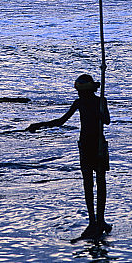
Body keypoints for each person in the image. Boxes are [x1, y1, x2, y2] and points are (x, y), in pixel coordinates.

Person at [27, 74, 111, 239]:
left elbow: (106, 121)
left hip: (97, 147)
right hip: (87, 146)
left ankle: (99, 221)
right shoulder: (83, 102)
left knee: (97, 183)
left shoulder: (99, 101)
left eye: (79, 91)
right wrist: (40, 125)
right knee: (92, 184)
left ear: (85, 91)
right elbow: (61, 121)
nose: (78, 94)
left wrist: (99, 114)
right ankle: (94, 222)